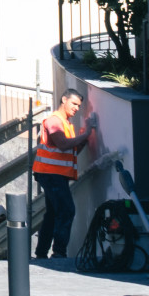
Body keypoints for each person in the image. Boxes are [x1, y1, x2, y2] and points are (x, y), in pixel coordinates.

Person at [32, 89, 99, 260]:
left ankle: (42, 252)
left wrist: (84, 137)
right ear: (64, 100)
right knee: (67, 210)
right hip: (51, 174)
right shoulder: (55, 121)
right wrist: (85, 134)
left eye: (79, 105)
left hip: (52, 174)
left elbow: (71, 151)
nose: (76, 108)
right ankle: (58, 252)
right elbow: (63, 145)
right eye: (74, 103)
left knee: (53, 213)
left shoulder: (66, 124)